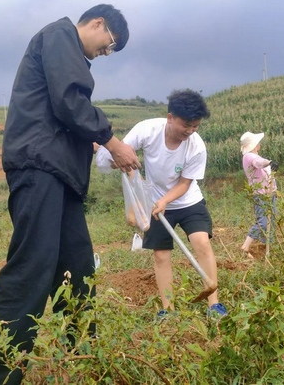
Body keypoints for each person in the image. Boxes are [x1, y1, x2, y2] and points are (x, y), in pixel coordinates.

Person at [0, 4, 141, 385]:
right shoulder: (60, 36)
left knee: (76, 269)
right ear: (97, 24)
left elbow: (59, 111)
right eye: (108, 46)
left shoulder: (63, 48)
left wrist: (86, 142)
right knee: (33, 266)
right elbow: (68, 100)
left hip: (61, 176)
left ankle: (79, 360)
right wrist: (110, 140)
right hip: (39, 169)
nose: (103, 54)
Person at [96, 89, 227, 318]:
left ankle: (214, 304)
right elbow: (120, 152)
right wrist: (112, 156)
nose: (190, 131)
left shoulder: (196, 146)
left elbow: (185, 183)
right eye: (186, 124)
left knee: (201, 242)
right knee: (161, 255)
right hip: (154, 201)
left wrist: (166, 200)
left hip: (187, 201)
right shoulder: (147, 130)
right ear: (170, 117)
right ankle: (168, 309)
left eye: (195, 126)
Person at [240, 132, 278, 258]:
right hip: (261, 195)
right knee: (262, 221)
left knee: (271, 220)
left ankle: (266, 246)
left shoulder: (254, 156)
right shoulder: (249, 156)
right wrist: (269, 162)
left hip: (269, 194)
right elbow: (259, 163)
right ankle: (245, 247)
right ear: (254, 145)